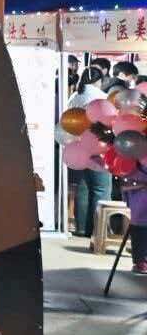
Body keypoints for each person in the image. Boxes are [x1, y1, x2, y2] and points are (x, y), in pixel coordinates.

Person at [67, 67, 110, 237]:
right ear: (98, 80)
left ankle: (81, 228)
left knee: (83, 187)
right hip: (98, 146)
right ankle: (97, 230)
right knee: (100, 188)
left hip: (78, 146)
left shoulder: (74, 97)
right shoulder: (102, 96)